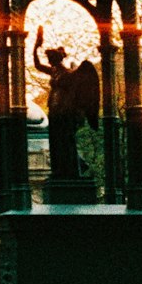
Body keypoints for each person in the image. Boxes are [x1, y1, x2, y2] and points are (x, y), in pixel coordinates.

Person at [32, 25, 98, 180]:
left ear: (56, 59)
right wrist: (36, 45)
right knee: (56, 141)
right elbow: (37, 65)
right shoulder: (54, 71)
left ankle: (75, 169)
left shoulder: (70, 74)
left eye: (50, 59)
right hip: (54, 110)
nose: (48, 61)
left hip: (66, 111)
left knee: (66, 140)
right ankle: (60, 170)